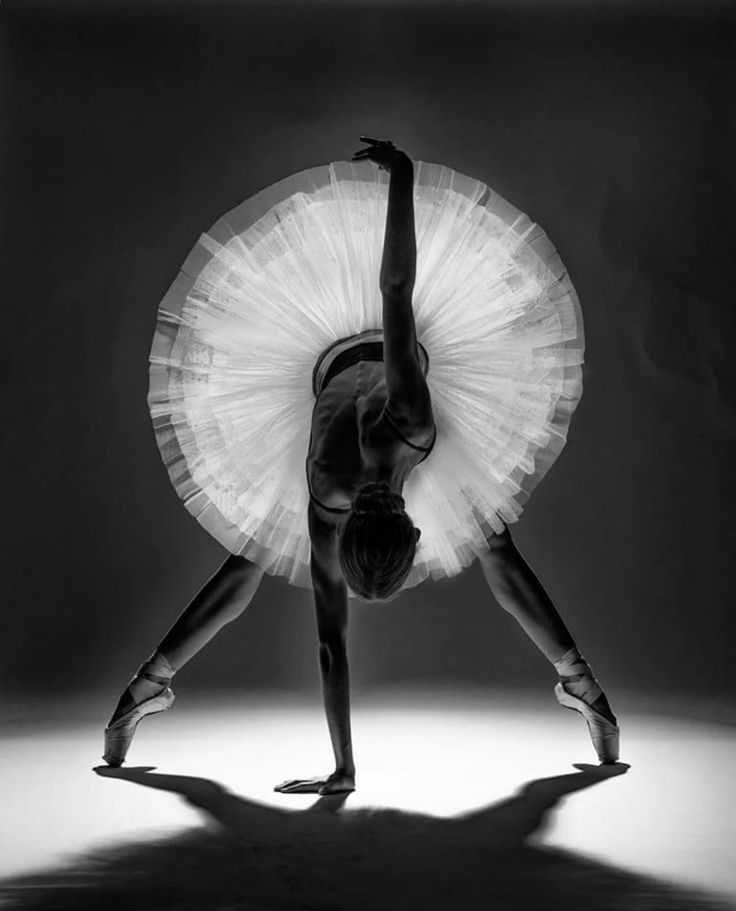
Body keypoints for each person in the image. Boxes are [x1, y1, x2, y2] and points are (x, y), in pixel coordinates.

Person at [103, 138, 619, 791]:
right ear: (407, 524)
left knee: (255, 553)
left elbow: (329, 644)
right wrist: (404, 176)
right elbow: (396, 290)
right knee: (491, 541)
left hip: (339, 360)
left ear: (411, 527)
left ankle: (146, 686)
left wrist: (401, 175)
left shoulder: (386, 439)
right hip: (351, 358)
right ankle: (584, 686)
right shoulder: (395, 428)